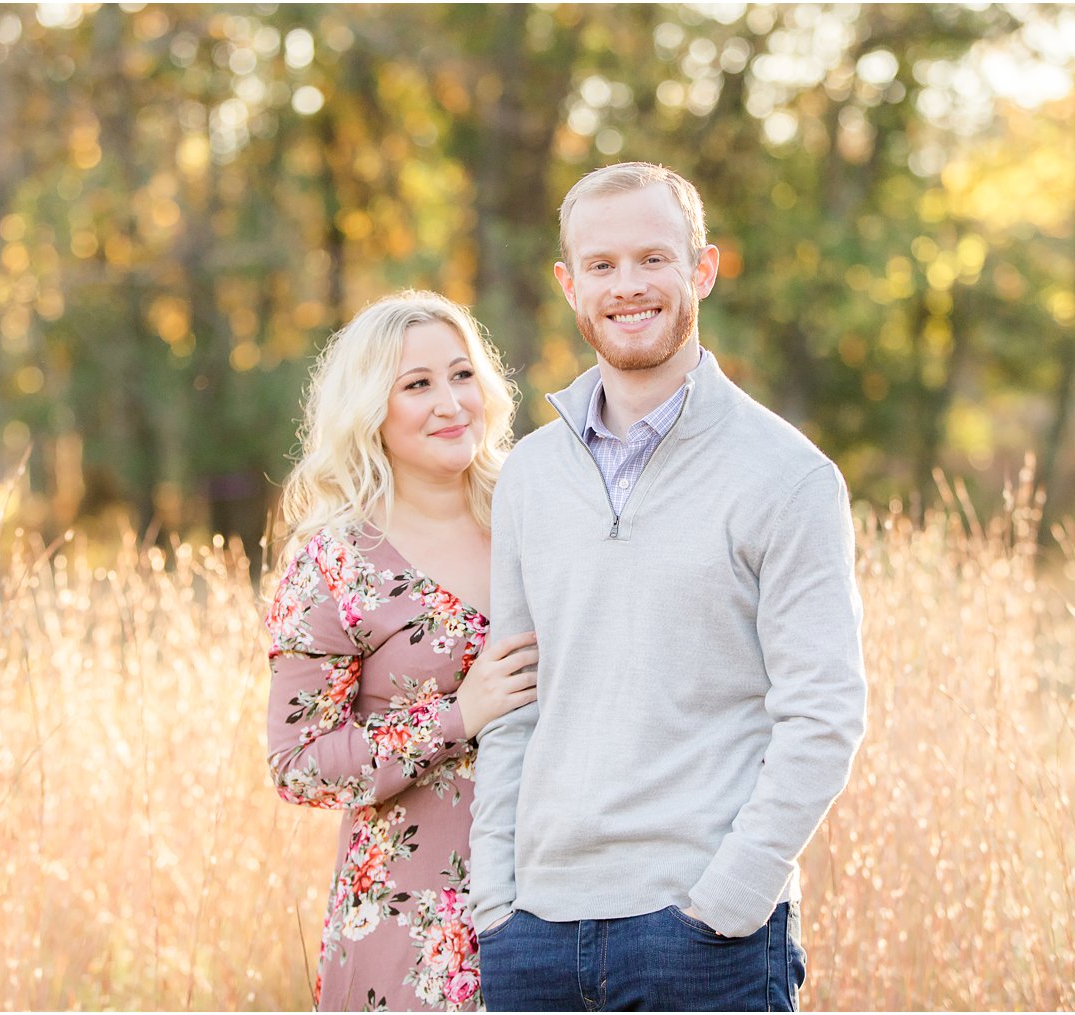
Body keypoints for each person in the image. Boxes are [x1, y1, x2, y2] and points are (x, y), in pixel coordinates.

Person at [469, 163, 868, 1012]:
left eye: (654, 258)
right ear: (569, 285)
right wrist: (495, 905)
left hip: (700, 939)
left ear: (703, 269)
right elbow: (514, 704)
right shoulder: (532, 475)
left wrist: (726, 901)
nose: (628, 287)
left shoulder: (788, 476)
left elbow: (824, 713)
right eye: (602, 266)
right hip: (533, 936)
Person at [265, 291, 538, 1012]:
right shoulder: (335, 563)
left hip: (566, 902)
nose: (450, 403)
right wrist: (459, 714)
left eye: (462, 375)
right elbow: (297, 767)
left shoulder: (538, 510)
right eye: (417, 385)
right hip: (417, 932)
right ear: (370, 410)